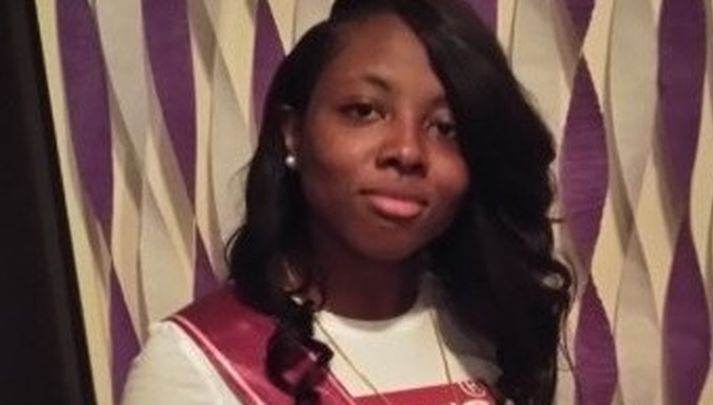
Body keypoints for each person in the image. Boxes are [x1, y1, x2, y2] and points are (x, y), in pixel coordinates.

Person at [122, 0, 572, 404]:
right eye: (364, 110)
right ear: (293, 132)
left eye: (446, 127)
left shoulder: (494, 324)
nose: (408, 151)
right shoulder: (195, 365)